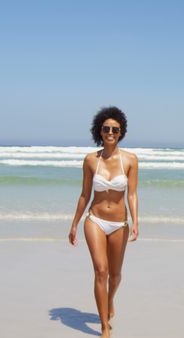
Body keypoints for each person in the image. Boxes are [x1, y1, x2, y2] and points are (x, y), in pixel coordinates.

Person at [68, 106, 139, 338]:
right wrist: (74, 223)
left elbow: (131, 194)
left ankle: (109, 301)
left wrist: (136, 222)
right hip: (95, 220)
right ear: (100, 131)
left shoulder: (130, 160)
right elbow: (84, 194)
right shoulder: (90, 160)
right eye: (106, 128)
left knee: (116, 275)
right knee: (101, 271)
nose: (110, 132)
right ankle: (104, 326)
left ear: (121, 132)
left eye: (115, 129)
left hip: (120, 223)